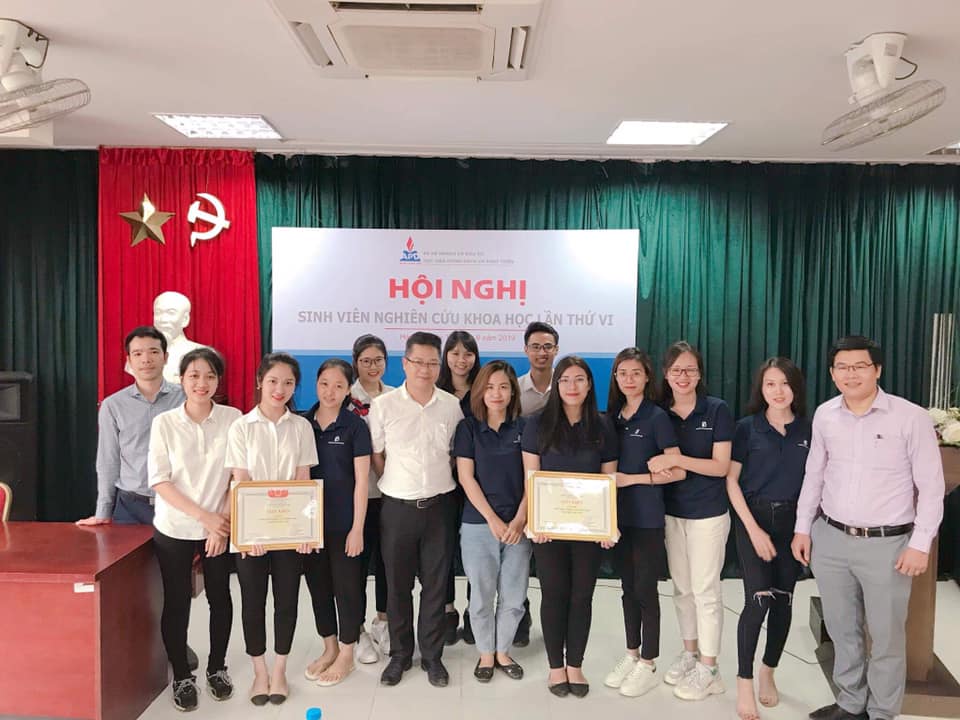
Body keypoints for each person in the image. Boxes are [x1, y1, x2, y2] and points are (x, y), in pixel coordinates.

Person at [791, 336, 944, 720]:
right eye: (842, 367)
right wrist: (803, 527)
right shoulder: (825, 415)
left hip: (887, 545)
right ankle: (850, 702)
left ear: (877, 370)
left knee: (887, 636)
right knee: (842, 629)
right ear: (832, 373)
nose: (851, 374)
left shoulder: (910, 417)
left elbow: (931, 486)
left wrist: (920, 543)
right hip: (831, 537)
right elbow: (814, 474)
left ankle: (882, 712)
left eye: (860, 366)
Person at [369, 332, 464, 688]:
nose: (425, 369)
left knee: (436, 586)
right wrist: (398, 483)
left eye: (432, 363)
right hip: (397, 509)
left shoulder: (451, 406)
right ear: (405, 363)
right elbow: (378, 455)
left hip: (440, 508)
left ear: (439, 366)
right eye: (418, 362)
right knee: (397, 586)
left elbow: (454, 454)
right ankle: (400, 654)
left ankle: (433, 656)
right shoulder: (384, 406)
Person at [521, 355, 619, 698]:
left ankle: (575, 664)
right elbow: (531, 477)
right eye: (564, 380)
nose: (571, 386)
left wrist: (608, 525)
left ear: (589, 385)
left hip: (589, 529)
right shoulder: (537, 424)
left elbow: (609, 479)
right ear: (556, 385)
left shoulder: (603, 426)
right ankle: (555, 667)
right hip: (549, 529)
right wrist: (535, 521)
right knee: (554, 594)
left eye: (579, 379)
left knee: (582, 595)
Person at [147, 348, 240, 711]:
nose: (202, 383)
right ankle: (182, 675)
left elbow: (237, 478)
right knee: (177, 601)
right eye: (194, 376)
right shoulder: (165, 423)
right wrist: (205, 518)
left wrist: (219, 527)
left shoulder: (233, 419)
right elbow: (160, 481)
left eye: (210, 376)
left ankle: (217, 668)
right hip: (175, 525)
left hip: (220, 525)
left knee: (220, 597)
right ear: (181, 379)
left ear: (219, 381)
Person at [225, 353, 318, 706]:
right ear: (260, 382)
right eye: (274, 381)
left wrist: (306, 531)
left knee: (287, 600)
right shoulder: (241, 427)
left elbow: (303, 480)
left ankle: (279, 670)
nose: (280, 389)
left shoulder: (301, 427)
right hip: (252, 533)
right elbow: (241, 480)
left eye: (289, 383)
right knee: (252, 601)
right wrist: (250, 533)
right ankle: (259, 672)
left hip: (290, 531)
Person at [648, 341, 733, 701]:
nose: (683, 376)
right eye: (676, 370)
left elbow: (721, 466)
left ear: (700, 374)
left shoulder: (716, 410)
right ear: (666, 375)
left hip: (708, 515)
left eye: (690, 370)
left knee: (705, 591)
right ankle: (690, 653)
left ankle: (710, 669)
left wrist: (677, 460)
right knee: (682, 589)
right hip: (671, 513)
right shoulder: (657, 413)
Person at [726, 358, 810, 720]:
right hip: (753, 519)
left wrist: (804, 528)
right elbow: (731, 481)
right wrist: (753, 529)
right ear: (760, 390)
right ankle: (744, 682)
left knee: (783, 601)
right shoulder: (747, 429)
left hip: (793, 523)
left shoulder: (809, 429)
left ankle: (768, 671)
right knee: (758, 600)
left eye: (785, 384)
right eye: (770, 384)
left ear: (795, 388)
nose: (778, 391)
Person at [603, 348, 684, 698]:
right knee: (627, 589)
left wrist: (632, 480)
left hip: (647, 518)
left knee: (646, 589)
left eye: (636, 372)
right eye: (622, 373)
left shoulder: (657, 417)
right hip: (617, 518)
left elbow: (677, 471)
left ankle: (649, 663)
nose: (629, 379)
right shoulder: (612, 418)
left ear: (648, 376)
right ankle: (632, 654)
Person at [453, 360, 530, 683]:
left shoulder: (525, 428)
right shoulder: (468, 428)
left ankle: (503, 651)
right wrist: (493, 520)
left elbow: (533, 478)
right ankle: (485, 653)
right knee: (482, 594)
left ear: (513, 392)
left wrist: (519, 519)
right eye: (489, 387)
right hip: (478, 524)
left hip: (518, 526)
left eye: (503, 387)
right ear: (480, 392)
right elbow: (466, 478)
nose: (496, 393)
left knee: (514, 596)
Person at [301, 359, 372, 686]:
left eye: (339, 386)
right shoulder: (302, 424)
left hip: (345, 524)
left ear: (348, 390)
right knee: (318, 588)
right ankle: (329, 647)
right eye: (324, 384)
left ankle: (347, 652)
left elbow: (362, 482)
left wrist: (357, 528)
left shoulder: (355, 426)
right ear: (316, 384)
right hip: (309, 527)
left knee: (347, 589)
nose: (330, 392)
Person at [78, 325, 185, 526]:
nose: (146, 359)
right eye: (138, 354)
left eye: (153, 352)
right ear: (129, 360)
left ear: (165, 357)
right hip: (131, 507)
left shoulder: (186, 398)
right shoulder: (113, 405)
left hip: (180, 504)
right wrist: (103, 511)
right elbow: (108, 460)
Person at [349, 334, 394, 662]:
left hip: (392, 493)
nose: (372, 366)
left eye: (378, 360)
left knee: (388, 562)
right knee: (357, 565)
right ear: (356, 363)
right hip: (359, 495)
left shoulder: (396, 396)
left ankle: (384, 621)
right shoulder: (345, 398)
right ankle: (357, 629)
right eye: (366, 361)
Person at [437, 330, 481, 645]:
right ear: (446, 357)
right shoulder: (436, 391)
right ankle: (448, 610)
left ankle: (474, 613)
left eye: (467, 353)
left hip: (479, 482)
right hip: (443, 484)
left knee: (477, 551)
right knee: (444, 549)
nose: (461, 360)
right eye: (455, 353)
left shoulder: (484, 390)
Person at [153, 291, 205, 384]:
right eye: (158, 312)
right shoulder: (139, 352)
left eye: (171, 313)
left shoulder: (203, 353)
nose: (163, 319)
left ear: (185, 319)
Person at [518, 321, 559, 417]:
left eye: (548, 347)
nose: (542, 353)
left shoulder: (566, 386)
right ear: (526, 350)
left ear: (556, 350)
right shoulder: (515, 388)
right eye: (535, 347)